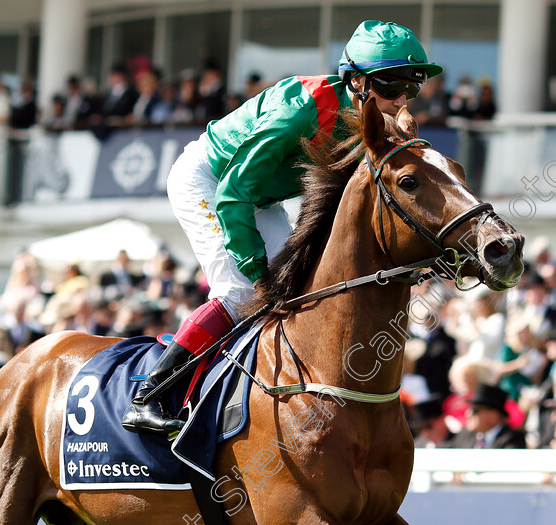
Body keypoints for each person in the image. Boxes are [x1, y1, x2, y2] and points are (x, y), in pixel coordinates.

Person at [122, 20, 443, 434]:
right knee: (241, 292)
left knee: (300, 285)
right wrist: (256, 270)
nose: (400, 99)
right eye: (390, 85)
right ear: (357, 81)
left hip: (261, 196)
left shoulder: (376, 121)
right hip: (212, 180)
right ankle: (150, 394)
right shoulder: (298, 113)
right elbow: (234, 193)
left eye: (411, 88)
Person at [445, 383, 525, 449]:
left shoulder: (512, 439)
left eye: (474, 410)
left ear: (493, 415)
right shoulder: (465, 435)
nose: (468, 414)